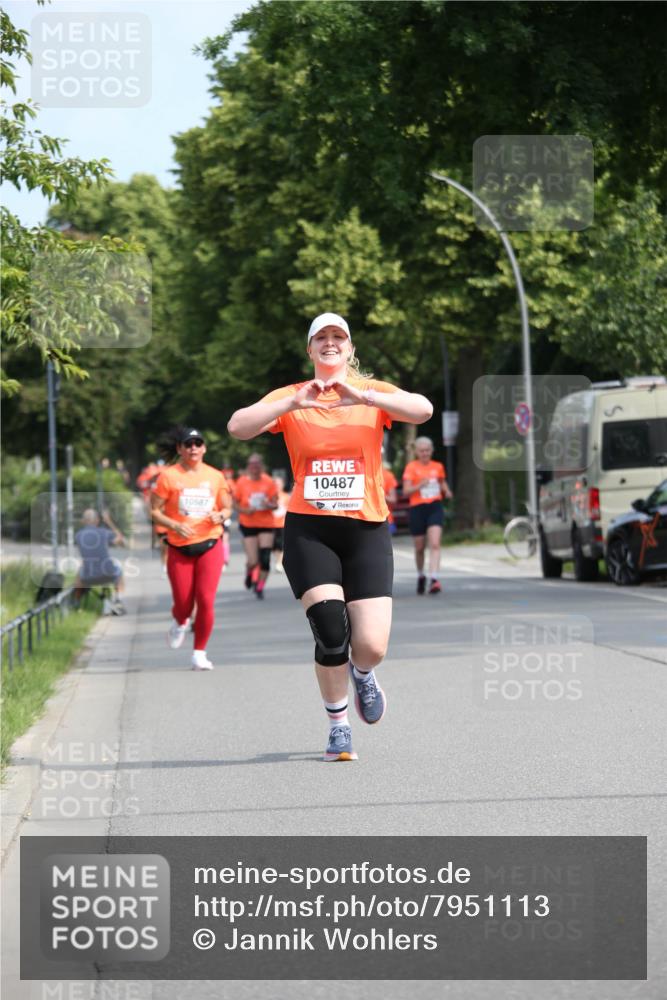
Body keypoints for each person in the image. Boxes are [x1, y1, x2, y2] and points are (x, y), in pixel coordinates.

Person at [228, 312, 432, 761]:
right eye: (321, 337)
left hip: (367, 529)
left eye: (338, 336)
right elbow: (238, 426)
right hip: (310, 529)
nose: (330, 343)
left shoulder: (372, 395)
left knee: (372, 646)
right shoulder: (291, 396)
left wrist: (361, 395)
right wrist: (291, 405)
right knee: (330, 630)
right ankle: (338, 725)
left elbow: (423, 409)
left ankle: (363, 673)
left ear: (350, 347)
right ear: (310, 348)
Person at [151, 427, 232, 670]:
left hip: (210, 543)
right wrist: (174, 524)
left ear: (204, 448)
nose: (193, 448)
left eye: (198, 443)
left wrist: (221, 515)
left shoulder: (216, 476)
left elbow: (227, 508)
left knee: (206, 600)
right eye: (188, 444)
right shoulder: (168, 476)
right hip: (179, 545)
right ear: (180, 449)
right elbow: (154, 511)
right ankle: (180, 621)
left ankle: (199, 652)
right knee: (184, 602)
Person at [402, 436, 453, 594]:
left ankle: (434, 579)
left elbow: (441, 481)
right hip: (417, 508)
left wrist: (446, 490)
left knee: (435, 543)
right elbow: (405, 491)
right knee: (419, 548)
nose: (425, 453)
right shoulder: (411, 467)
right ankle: (421, 575)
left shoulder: (438, 466)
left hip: (434, 507)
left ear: (431, 451)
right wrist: (420, 485)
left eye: (427, 450)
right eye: (422, 451)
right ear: (417, 452)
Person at [233, 454, 279, 599]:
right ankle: (249, 573)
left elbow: (275, 503)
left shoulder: (269, 481)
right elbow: (234, 503)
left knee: (265, 558)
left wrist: (269, 505)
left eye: (257, 465)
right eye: (252, 465)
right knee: (253, 560)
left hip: (266, 523)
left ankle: (259, 587)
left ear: (261, 466)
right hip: (248, 523)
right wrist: (245, 510)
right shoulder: (241, 482)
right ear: (248, 467)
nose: (255, 468)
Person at [74, 508, 127, 612]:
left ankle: (76, 603)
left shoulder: (78, 535)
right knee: (119, 570)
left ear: (83, 521)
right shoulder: (103, 532)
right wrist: (109, 521)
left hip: (88, 577)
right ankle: (118, 600)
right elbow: (122, 541)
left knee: (79, 573)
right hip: (109, 574)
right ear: (97, 520)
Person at [272, 474, 291, 572]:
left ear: (283, 485)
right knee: (273, 545)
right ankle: (278, 560)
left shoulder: (286, 496)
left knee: (281, 544)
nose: (277, 485)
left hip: (282, 524)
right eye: (275, 483)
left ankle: (279, 562)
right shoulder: (269, 496)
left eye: (279, 484)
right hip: (271, 524)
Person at [382, 462, 398, 535]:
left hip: (386, 519)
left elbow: (393, 499)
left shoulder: (388, 475)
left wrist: (380, 494)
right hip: (365, 519)